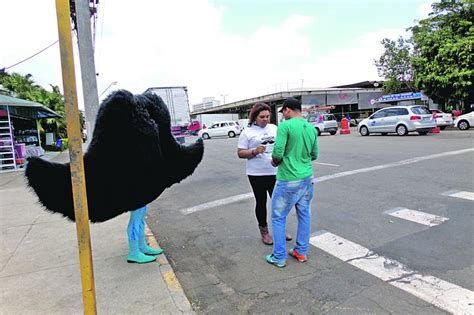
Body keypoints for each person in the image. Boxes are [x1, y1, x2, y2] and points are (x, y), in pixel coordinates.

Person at [266, 97, 318, 268]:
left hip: (288, 179)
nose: (283, 116)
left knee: (278, 217)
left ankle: (279, 256)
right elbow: (314, 155)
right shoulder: (311, 128)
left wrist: (274, 162)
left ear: (287, 110)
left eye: (283, 112)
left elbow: (278, 152)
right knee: (304, 215)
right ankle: (301, 252)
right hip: (307, 178)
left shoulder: (285, 126)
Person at [237, 103, 292, 245]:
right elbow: (240, 153)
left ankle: (280, 229)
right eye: (262, 117)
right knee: (261, 202)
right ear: (255, 116)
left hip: (275, 171)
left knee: (279, 202)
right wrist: (254, 151)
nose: (265, 119)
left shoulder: (274, 128)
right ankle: (264, 231)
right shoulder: (247, 132)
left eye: (268, 116)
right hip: (256, 173)